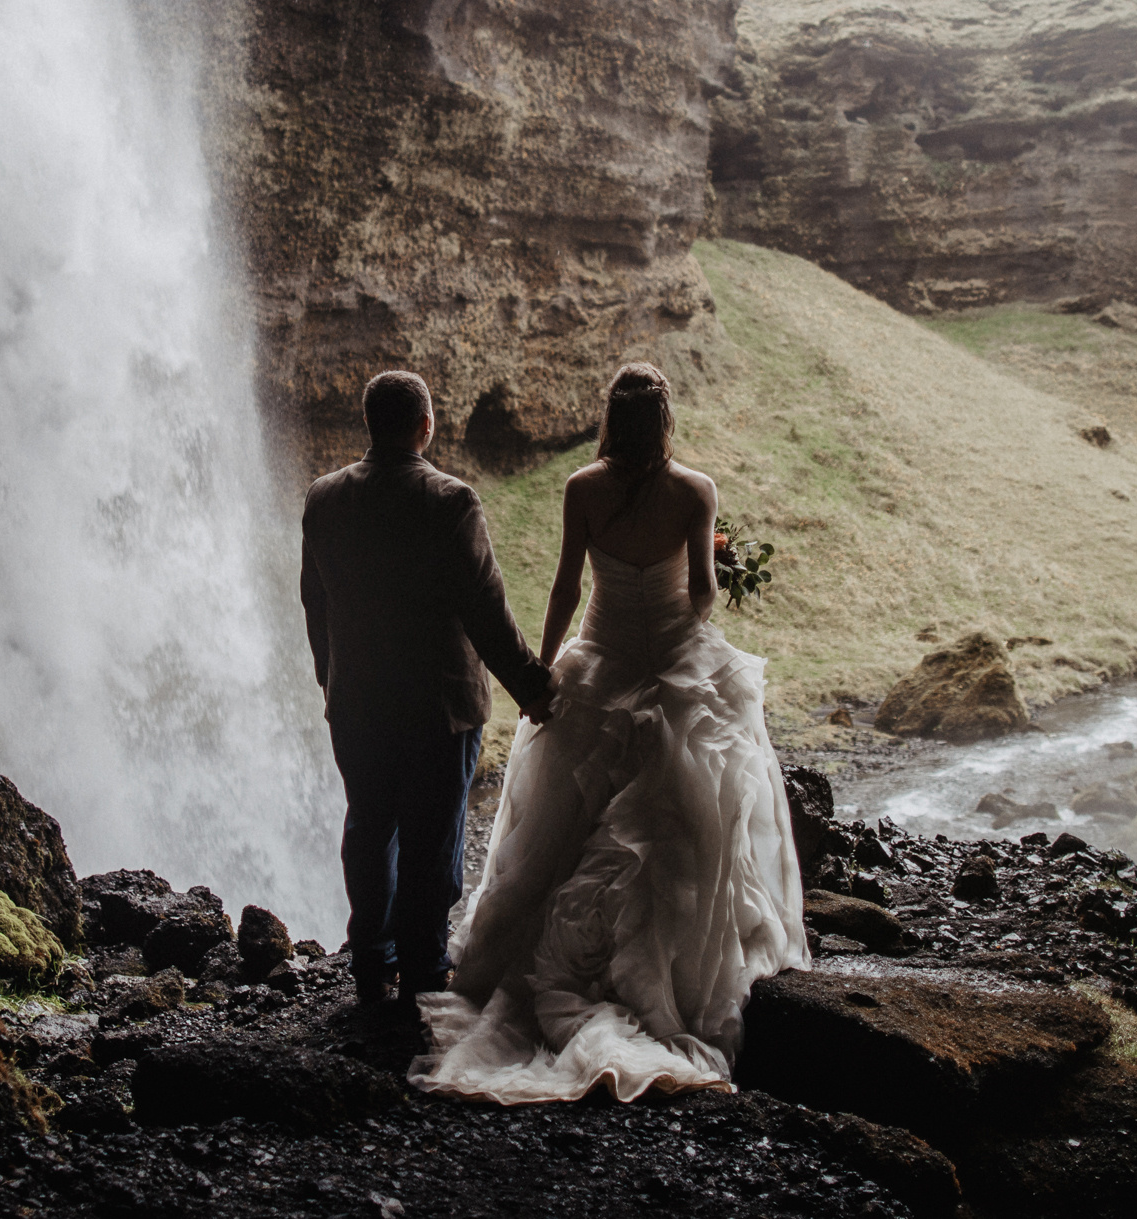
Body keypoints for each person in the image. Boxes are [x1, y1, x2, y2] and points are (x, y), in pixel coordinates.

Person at [412, 362, 807, 1103]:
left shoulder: (581, 489)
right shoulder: (695, 491)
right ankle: (671, 984)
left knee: (565, 833)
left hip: (599, 660)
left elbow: (566, 583)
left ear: (609, 419)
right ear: (664, 422)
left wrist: (545, 667)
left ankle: (535, 973)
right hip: (673, 664)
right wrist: (710, 564)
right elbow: (700, 600)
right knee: (681, 832)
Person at [301, 370, 556, 1005]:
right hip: (438, 707)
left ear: (370, 424)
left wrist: (329, 675)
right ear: (426, 426)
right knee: (432, 840)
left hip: (356, 702)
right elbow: (486, 612)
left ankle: (369, 963)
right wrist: (533, 687)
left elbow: (315, 601)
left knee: (368, 825)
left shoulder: (324, 497)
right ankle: (421, 969)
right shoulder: (451, 501)